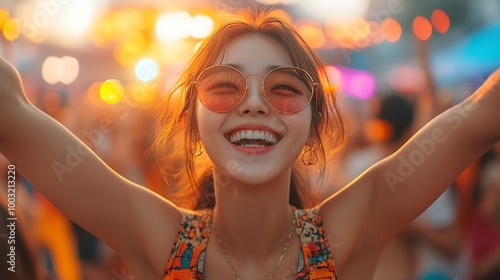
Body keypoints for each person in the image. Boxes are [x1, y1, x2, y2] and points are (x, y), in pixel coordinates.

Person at [0, 9, 499, 280]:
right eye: (224, 87)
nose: (255, 104)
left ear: (312, 127)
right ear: (193, 125)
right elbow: (12, 116)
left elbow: (482, 113)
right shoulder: (157, 237)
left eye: (283, 89)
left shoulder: (351, 229)